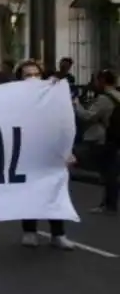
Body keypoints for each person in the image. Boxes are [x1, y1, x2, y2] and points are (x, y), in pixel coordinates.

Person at [15, 59, 75, 249]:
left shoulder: (52, 96)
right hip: (25, 151)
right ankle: (29, 231)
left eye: (36, 74)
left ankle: (58, 234)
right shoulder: (13, 98)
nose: (33, 78)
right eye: (27, 75)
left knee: (54, 189)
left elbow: (63, 124)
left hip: (50, 151)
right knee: (28, 190)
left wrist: (68, 150)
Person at [76, 69, 120, 216]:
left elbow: (88, 116)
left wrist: (76, 104)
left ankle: (108, 204)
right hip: (115, 137)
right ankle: (110, 204)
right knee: (111, 171)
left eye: (96, 80)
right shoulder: (118, 95)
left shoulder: (104, 98)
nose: (95, 83)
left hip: (105, 138)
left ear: (102, 81)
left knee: (108, 172)